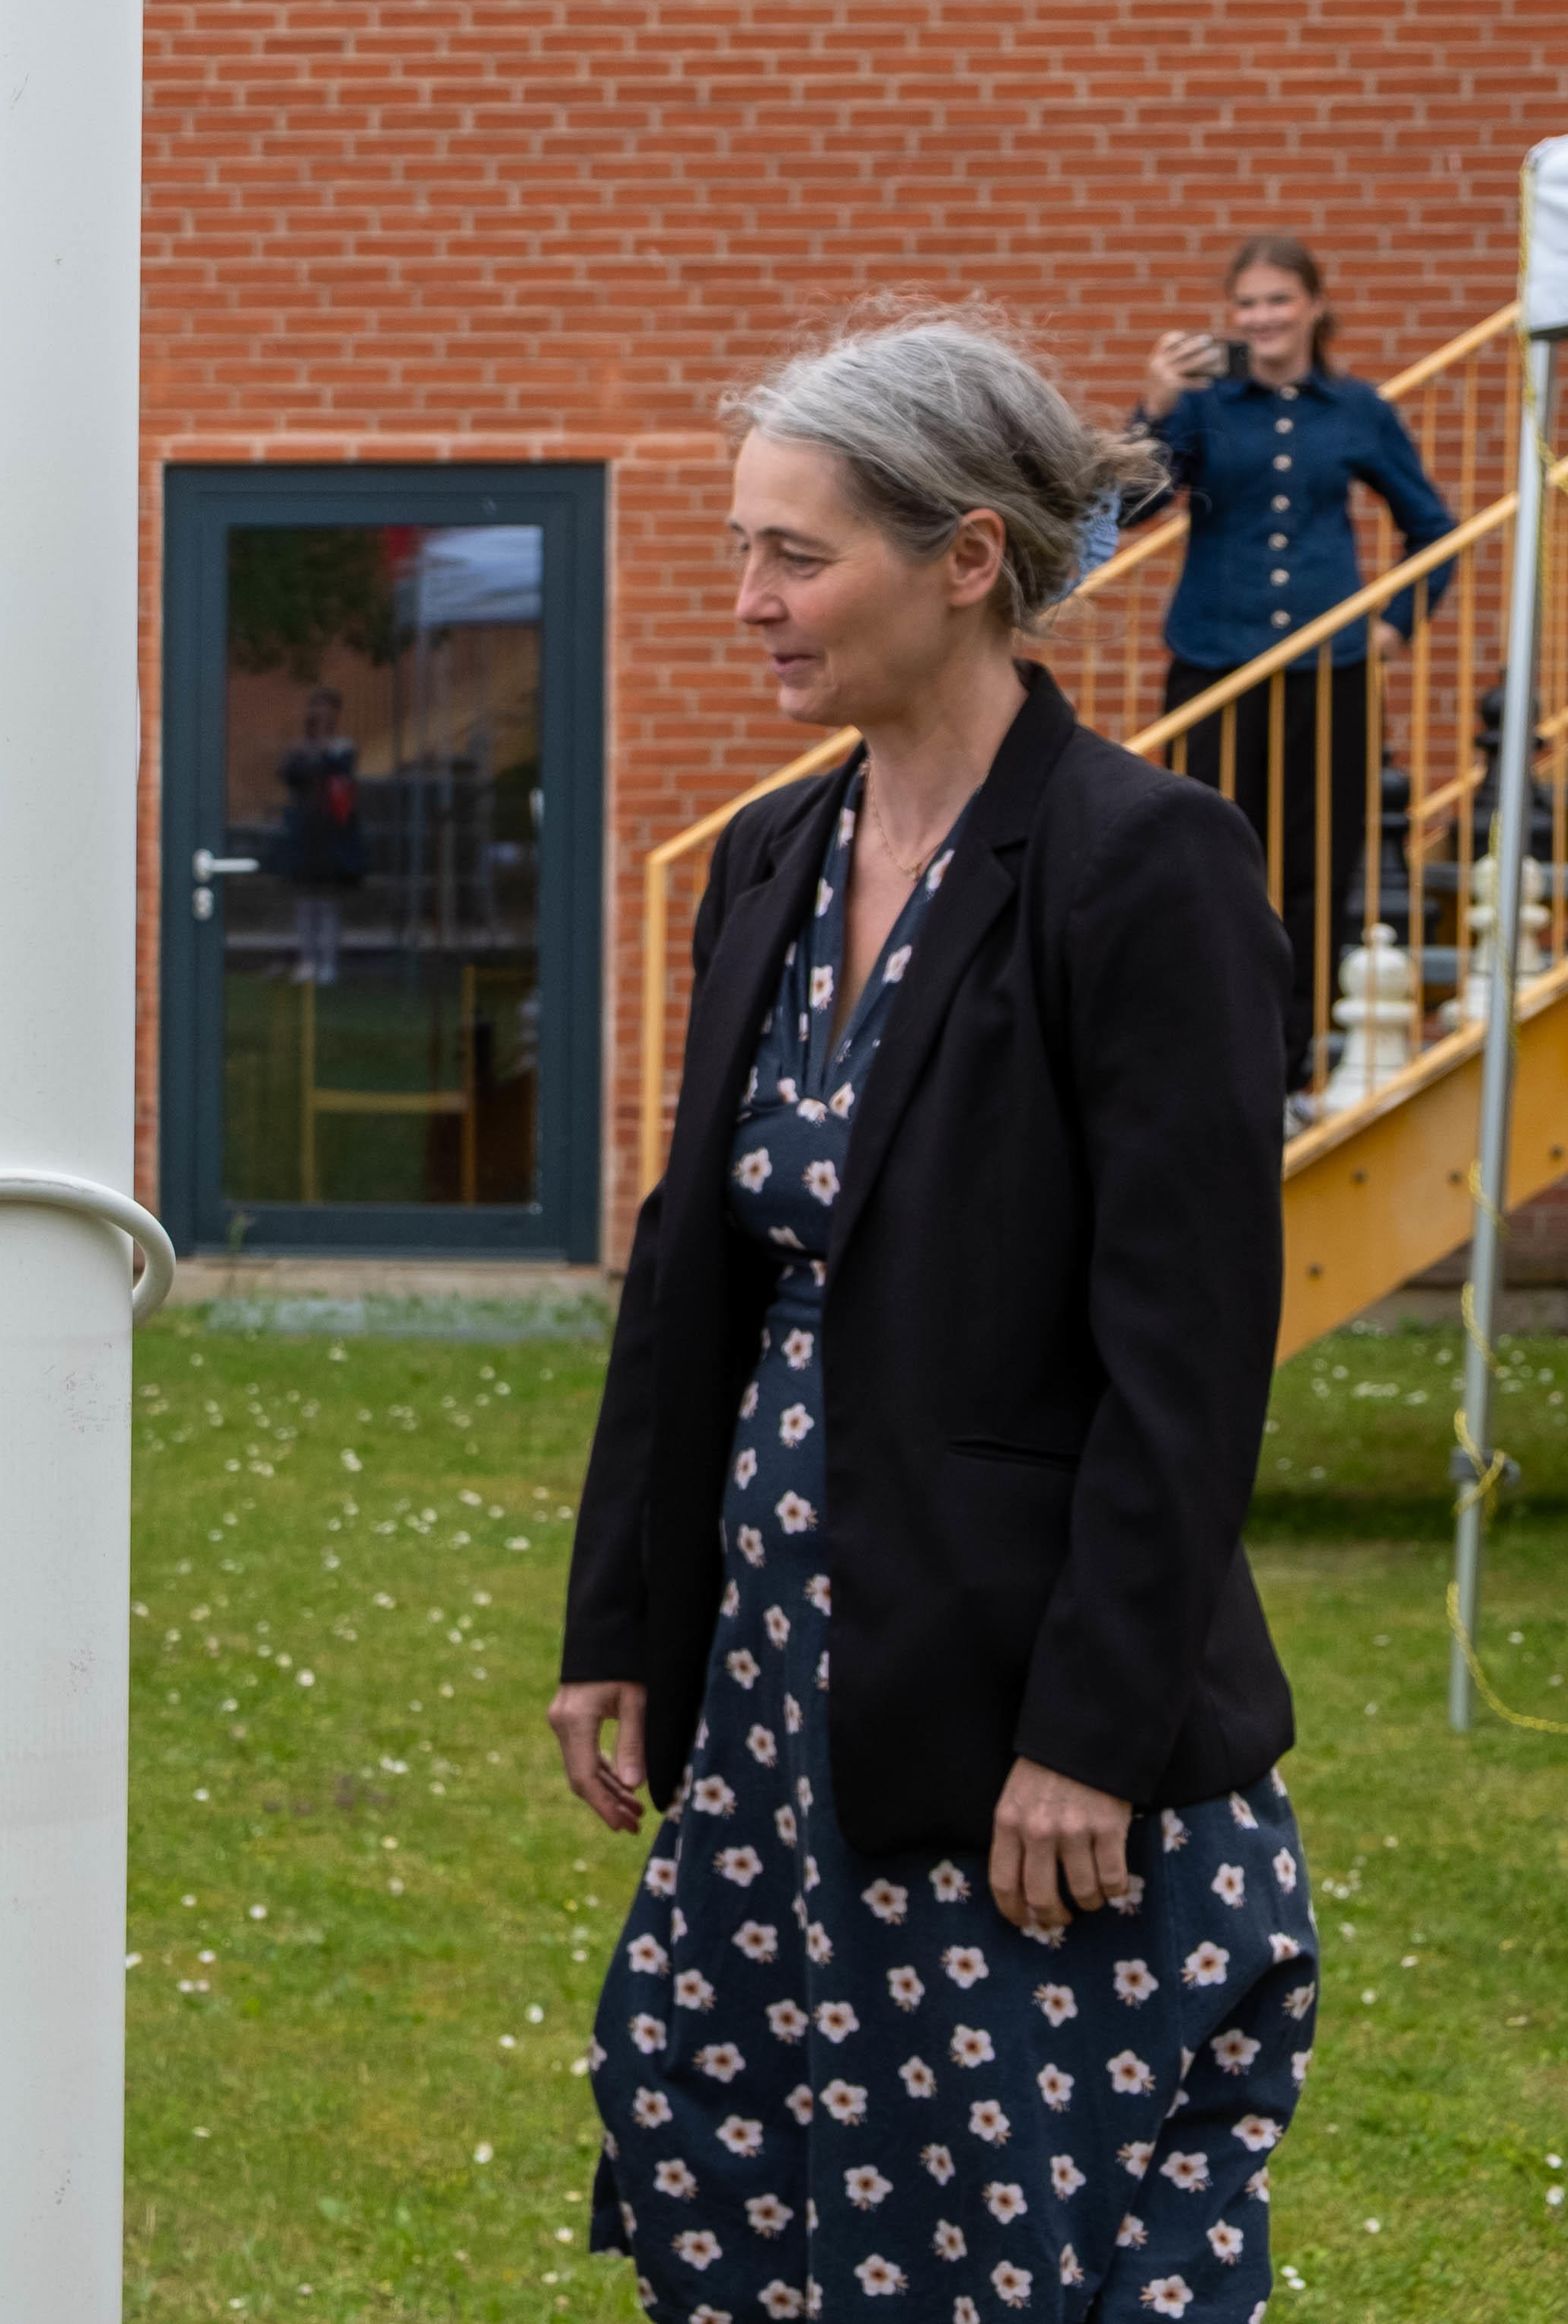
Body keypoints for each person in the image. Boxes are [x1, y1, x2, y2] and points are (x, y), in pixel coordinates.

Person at [553, 309, 1315, 2322]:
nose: (751, 604)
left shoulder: (1141, 866)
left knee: (1001, 2228)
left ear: (967, 556)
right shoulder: (775, 860)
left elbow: (1191, 1351)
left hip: (1008, 1725)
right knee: (721, 2145)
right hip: (779, 1700)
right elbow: (688, 1264)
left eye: (796, 556)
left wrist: (1090, 1733)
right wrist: (625, 1618)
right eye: (746, 551)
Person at [1131, 235, 1453, 1096]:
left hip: (1331, 674)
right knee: (1208, 860)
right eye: (1248, 304)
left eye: (1279, 300)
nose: (1263, 318)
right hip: (1213, 666)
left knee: (1318, 864)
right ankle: (1213, 1048)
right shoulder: (1200, 406)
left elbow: (1432, 529)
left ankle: (1293, 1051)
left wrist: (1395, 626)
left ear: (1313, 305)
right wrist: (1152, 408)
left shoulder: (1357, 408)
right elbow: (1132, 506)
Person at [274, 684, 364, 987]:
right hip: (306, 832)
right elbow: (290, 775)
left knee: (328, 901)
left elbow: (340, 772)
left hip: (332, 834)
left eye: (327, 707)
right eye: (317, 706)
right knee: (305, 900)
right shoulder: (299, 749)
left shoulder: (343, 748)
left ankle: (328, 963)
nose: (321, 713)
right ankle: (308, 961)